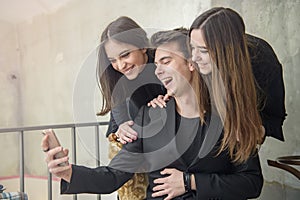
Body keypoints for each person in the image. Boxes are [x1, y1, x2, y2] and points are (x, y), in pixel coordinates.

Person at [42, 27, 264, 199]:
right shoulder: (150, 116)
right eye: (156, 64)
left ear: (191, 64)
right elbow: (113, 176)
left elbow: (252, 183)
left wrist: (191, 182)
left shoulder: (228, 118)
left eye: (166, 61)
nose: (157, 70)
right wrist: (67, 172)